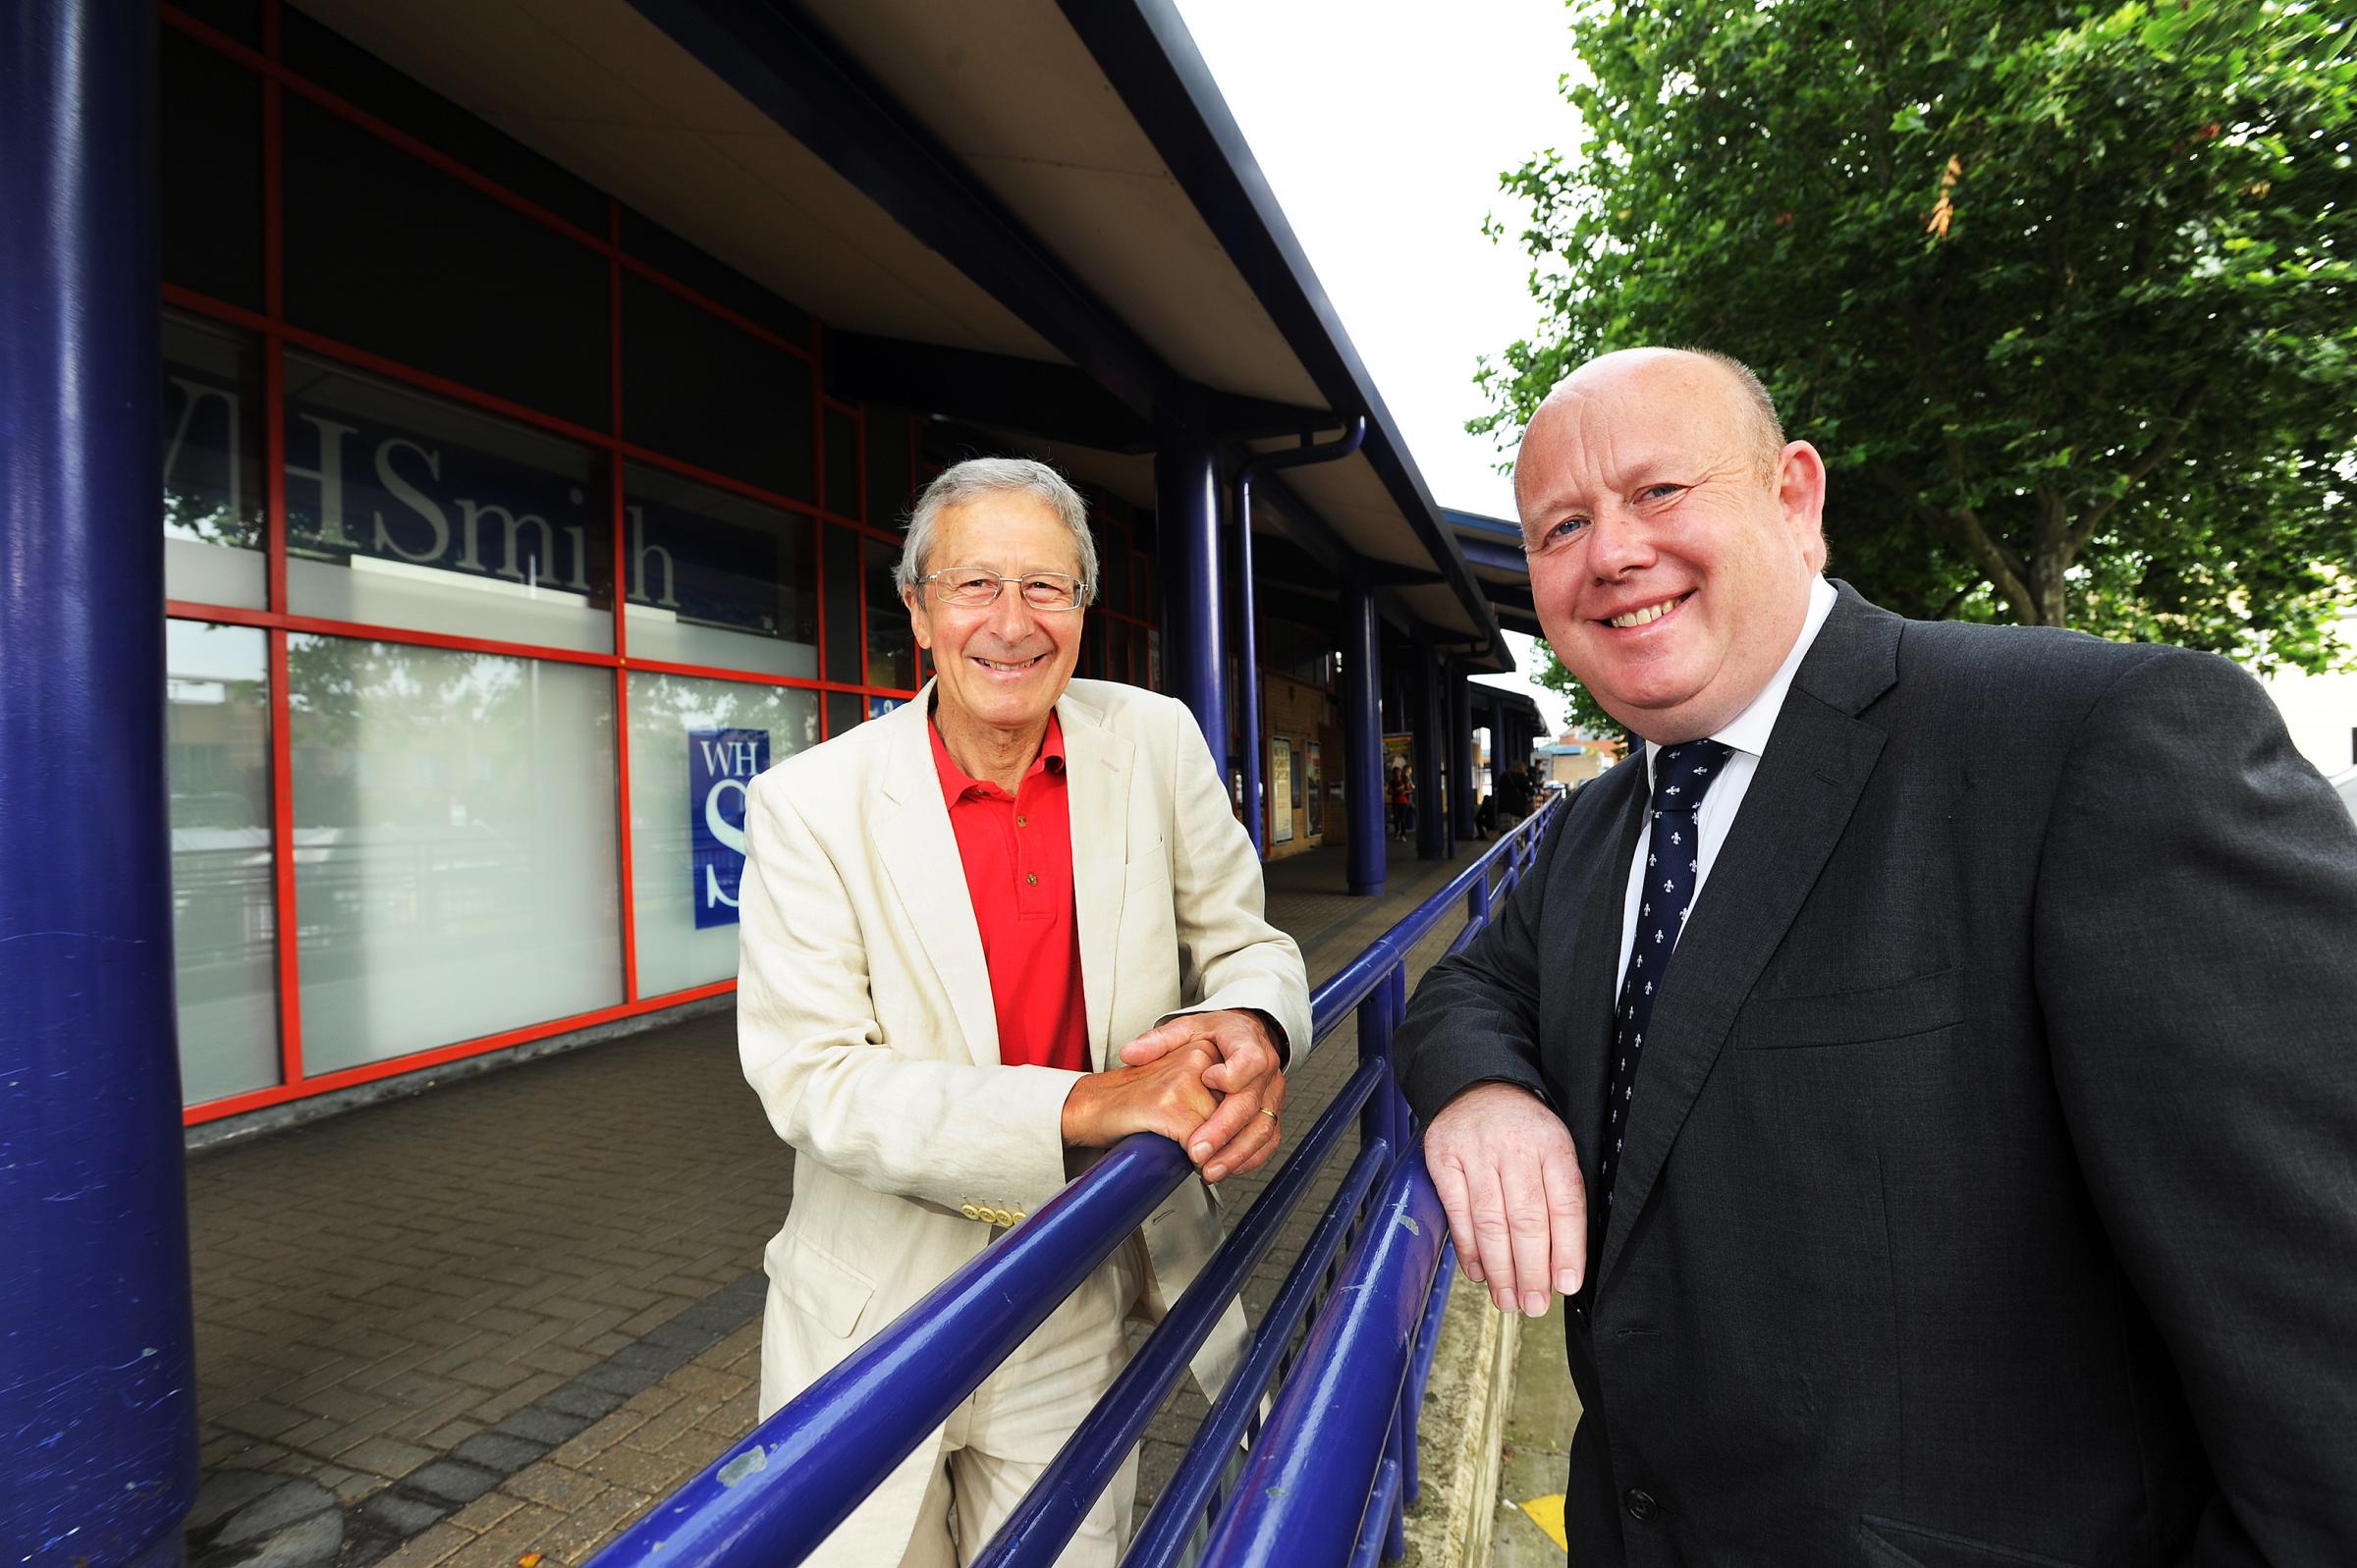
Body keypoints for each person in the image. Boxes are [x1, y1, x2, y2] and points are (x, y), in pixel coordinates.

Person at [1394, 348, 2357, 1565]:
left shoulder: (2090, 743)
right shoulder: (1595, 825)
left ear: (1796, 498)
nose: (1612, 553)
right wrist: (1484, 1092)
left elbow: (2323, 1352)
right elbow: (1474, 984)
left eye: (1658, 493)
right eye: (1562, 525)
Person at [737, 457, 1312, 1568]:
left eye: (1046, 588)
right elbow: (813, 1080)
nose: (1012, 623)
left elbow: (1250, 944)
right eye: (974, 586)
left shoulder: (1155, 741)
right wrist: (1088, 1105)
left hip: (1074, 1282)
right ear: (917, 606)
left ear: (1086, 607)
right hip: (876, 1323)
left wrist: (1256, 1025)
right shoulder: (807, 803)